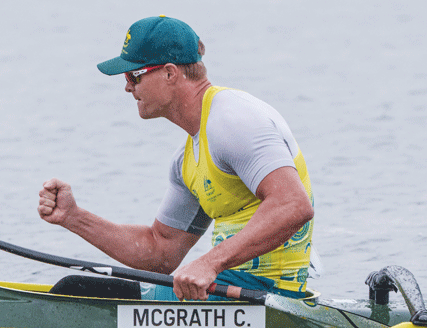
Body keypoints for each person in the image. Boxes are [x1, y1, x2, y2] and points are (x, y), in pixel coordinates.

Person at [38, 15, 315, 301]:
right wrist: (73, 217)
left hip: (267, 298)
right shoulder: (186, 158)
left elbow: (293, 205)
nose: (127, 87)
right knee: (75, 289)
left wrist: (209, 263)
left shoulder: (233, 120)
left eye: (135, 75)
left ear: (170, 73)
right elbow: (160, 252)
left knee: (75, 291)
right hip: (231, 289)